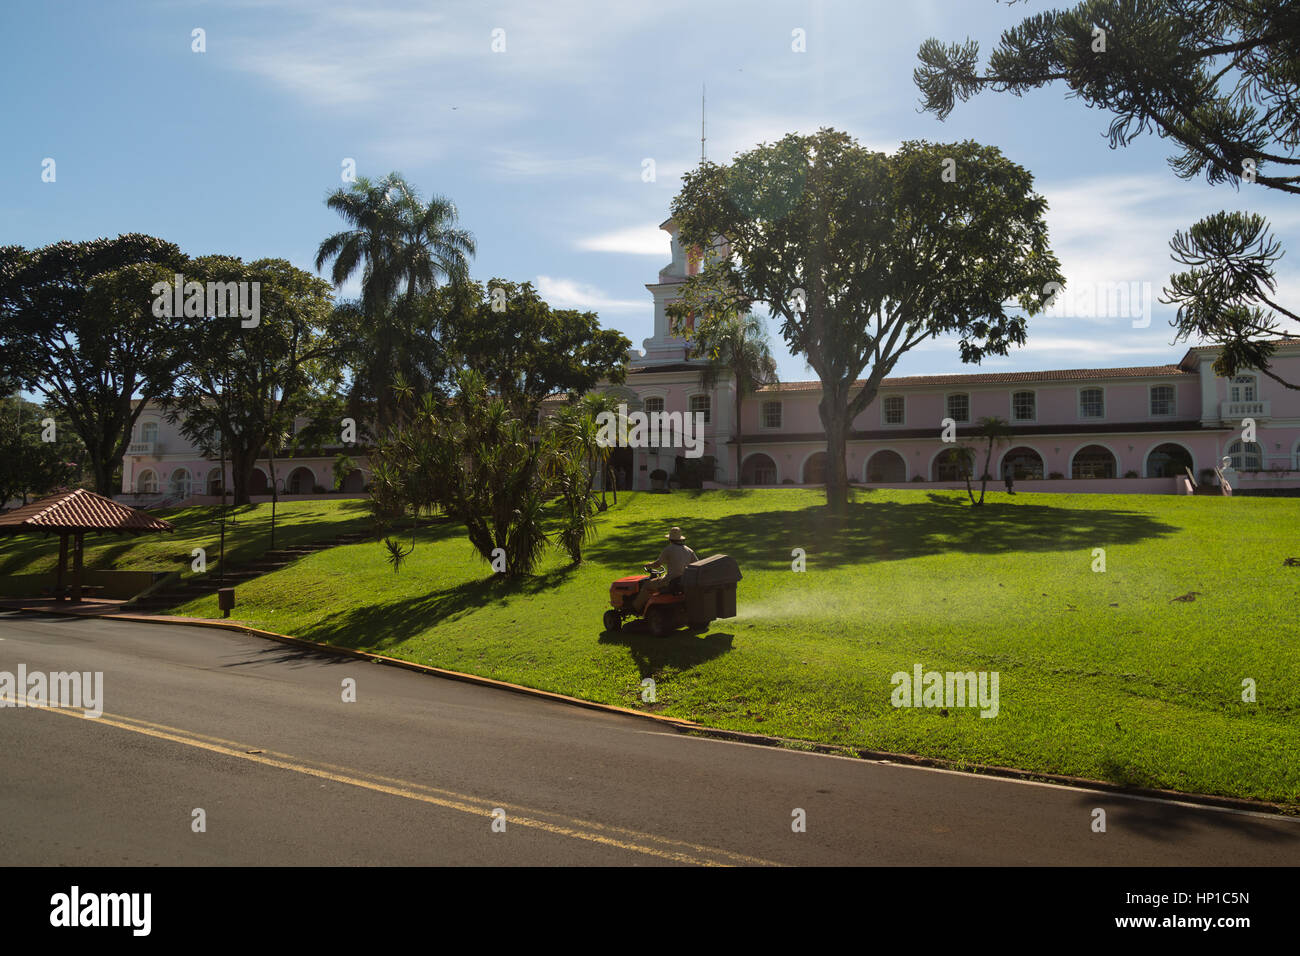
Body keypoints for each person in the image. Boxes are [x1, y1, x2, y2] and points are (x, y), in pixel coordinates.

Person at [634, 526, 698, 614]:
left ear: (670, 539)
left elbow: (657, 564)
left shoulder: (668, 549)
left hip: (670, 581)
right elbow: (697, 564)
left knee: (646, 585)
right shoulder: (689, 550)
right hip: (683, 581)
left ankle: (636, 608)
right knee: (658, 580)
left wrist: (649, 565)